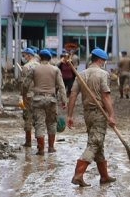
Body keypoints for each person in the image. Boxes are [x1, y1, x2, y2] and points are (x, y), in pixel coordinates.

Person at [67, 48, 117, 186]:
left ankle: (104, 176)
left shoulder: (81, 74)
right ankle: (78, 174)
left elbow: (72, 95)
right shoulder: (103, 74)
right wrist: (111, 115)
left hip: (87, 113)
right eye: (104, 61)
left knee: (97, 143)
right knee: (94, 143)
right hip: (99, 113)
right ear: (101, 60)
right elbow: (106, 96)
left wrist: (69, 115)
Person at [24, 49, 67, 155]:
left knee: (39, 124)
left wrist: (24, 95)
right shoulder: (56, 70)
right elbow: (61, 86)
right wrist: (64, 100)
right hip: (52, 100)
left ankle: (41, 149)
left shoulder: (34, 69)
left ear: (39, 57)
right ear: (50, 58)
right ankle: (51, 147)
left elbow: (25, 84)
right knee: (52, 123)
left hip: (38, 100)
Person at [19, 48, 38, 147]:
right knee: (39, 119)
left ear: (29, 55)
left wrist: (22, 96)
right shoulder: (39, 66)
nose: (24, 57)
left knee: (28, 118)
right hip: (38, 95)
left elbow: (23, 84)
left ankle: (28, 141)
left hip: (29, 96)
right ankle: (40, 143)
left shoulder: (26, 67)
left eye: (24, 55)